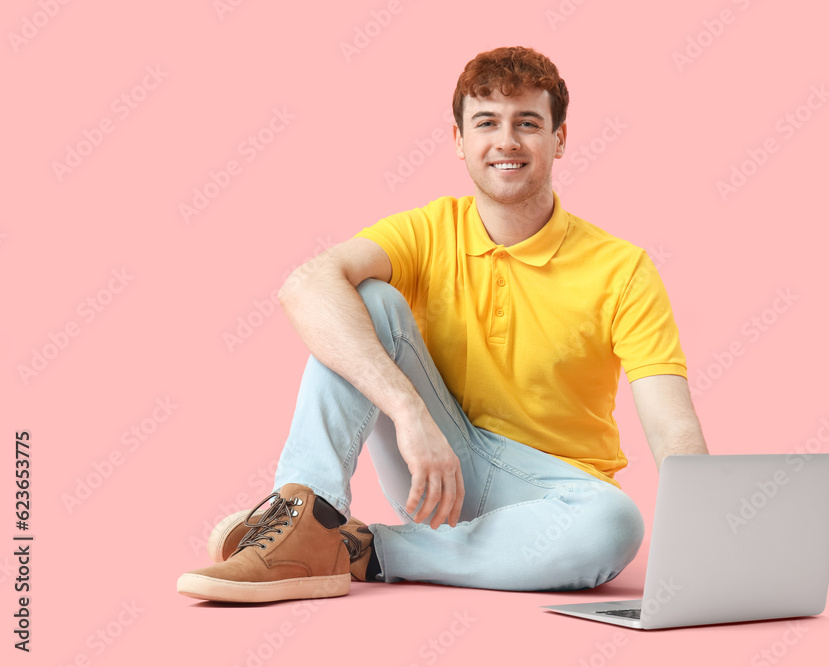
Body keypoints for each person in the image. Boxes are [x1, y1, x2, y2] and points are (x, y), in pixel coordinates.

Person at [177, 45, 709, 604]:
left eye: (528, 123)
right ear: (459, 141)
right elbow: (306, 286)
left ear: (560, 138)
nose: (507, 142)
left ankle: (358, 548)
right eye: (486, 123)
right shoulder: (430, 230)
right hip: (439, 471)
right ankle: (306, 512)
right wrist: (409, 412)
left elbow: (671, 424)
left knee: (613, 525)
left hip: (558, 495)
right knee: (366, 298)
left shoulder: (622, 268)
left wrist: (705, 536)